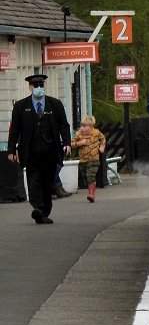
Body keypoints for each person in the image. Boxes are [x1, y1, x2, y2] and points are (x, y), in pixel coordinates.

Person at [6, 72, 72, 224]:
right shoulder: (20, 106)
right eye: (35, 86)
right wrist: (11, 150)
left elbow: (64, 125)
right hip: (30, 152)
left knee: (47, 182)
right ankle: (38, 207)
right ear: (30, 87)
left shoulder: (55, 104)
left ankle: (44, 211)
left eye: (41, 85)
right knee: (34, 180)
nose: (39, 88)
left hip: (50, 150)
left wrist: (67, 142)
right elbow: (14, 130)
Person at [72, 114, 107, 202]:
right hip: (83, 159)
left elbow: (103, 139)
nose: (82, 128)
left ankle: (91, 194)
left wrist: (102, 147)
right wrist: (80, 143)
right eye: (81, 126)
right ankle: (91, 190)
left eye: (84, 126)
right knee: (85, 177)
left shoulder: (96, 133)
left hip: (94, 159)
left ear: (91, 126)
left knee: (90, 175)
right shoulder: (78, 134)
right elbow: (72, 144)